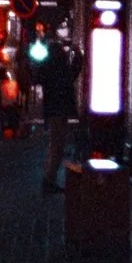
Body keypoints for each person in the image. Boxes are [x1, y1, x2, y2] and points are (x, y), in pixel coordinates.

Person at [37, 35, 82, 193]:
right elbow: (74, 72)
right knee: (57, 146)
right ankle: (49, 180)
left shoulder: (47, 69)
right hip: (59, 111)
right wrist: (78, 55)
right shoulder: (61, 70)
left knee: (54, 145)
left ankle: (49, 178)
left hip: (53, 111)